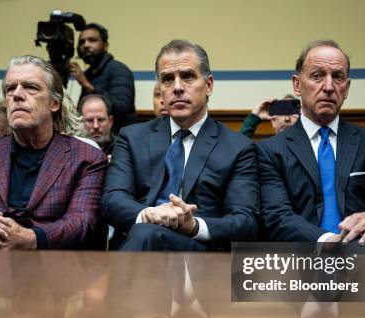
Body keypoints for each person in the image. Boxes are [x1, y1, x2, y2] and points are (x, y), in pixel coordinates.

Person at [101, 40, 259, 251]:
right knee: (144, 231)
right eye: (167, 79)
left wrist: (193, 226)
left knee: (144, 233)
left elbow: (245, 221)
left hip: (199, 257)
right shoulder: (132, 137)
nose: (177, 88)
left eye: (187, 76)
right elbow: (112, 199)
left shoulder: (238, 147)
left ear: (209, 85)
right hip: (141, 242)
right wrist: (148, 214)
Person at [0, 55, 107, 250]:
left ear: (54, 103)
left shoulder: (86, 157)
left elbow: (82, 222)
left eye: (31, 87)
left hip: (53, 265)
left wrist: (30, 238)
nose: (16, 94)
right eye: (10, 89)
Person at [258, 40, 365, 244]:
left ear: (346, 88)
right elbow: (277, 216)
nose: (329, 87)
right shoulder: (270, 150)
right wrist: (329, 241)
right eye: (317, 76)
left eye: (337, 77)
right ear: (297, 84)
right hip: (300, 263)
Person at [69, 23, 136, 134]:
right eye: (82, 42)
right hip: (94, 138)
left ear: (105, 45)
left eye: (92, 40)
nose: (86, 45)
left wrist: (87, 85)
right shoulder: (89, 73)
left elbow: (121, 109)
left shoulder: (119, 69)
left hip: (120, 141)